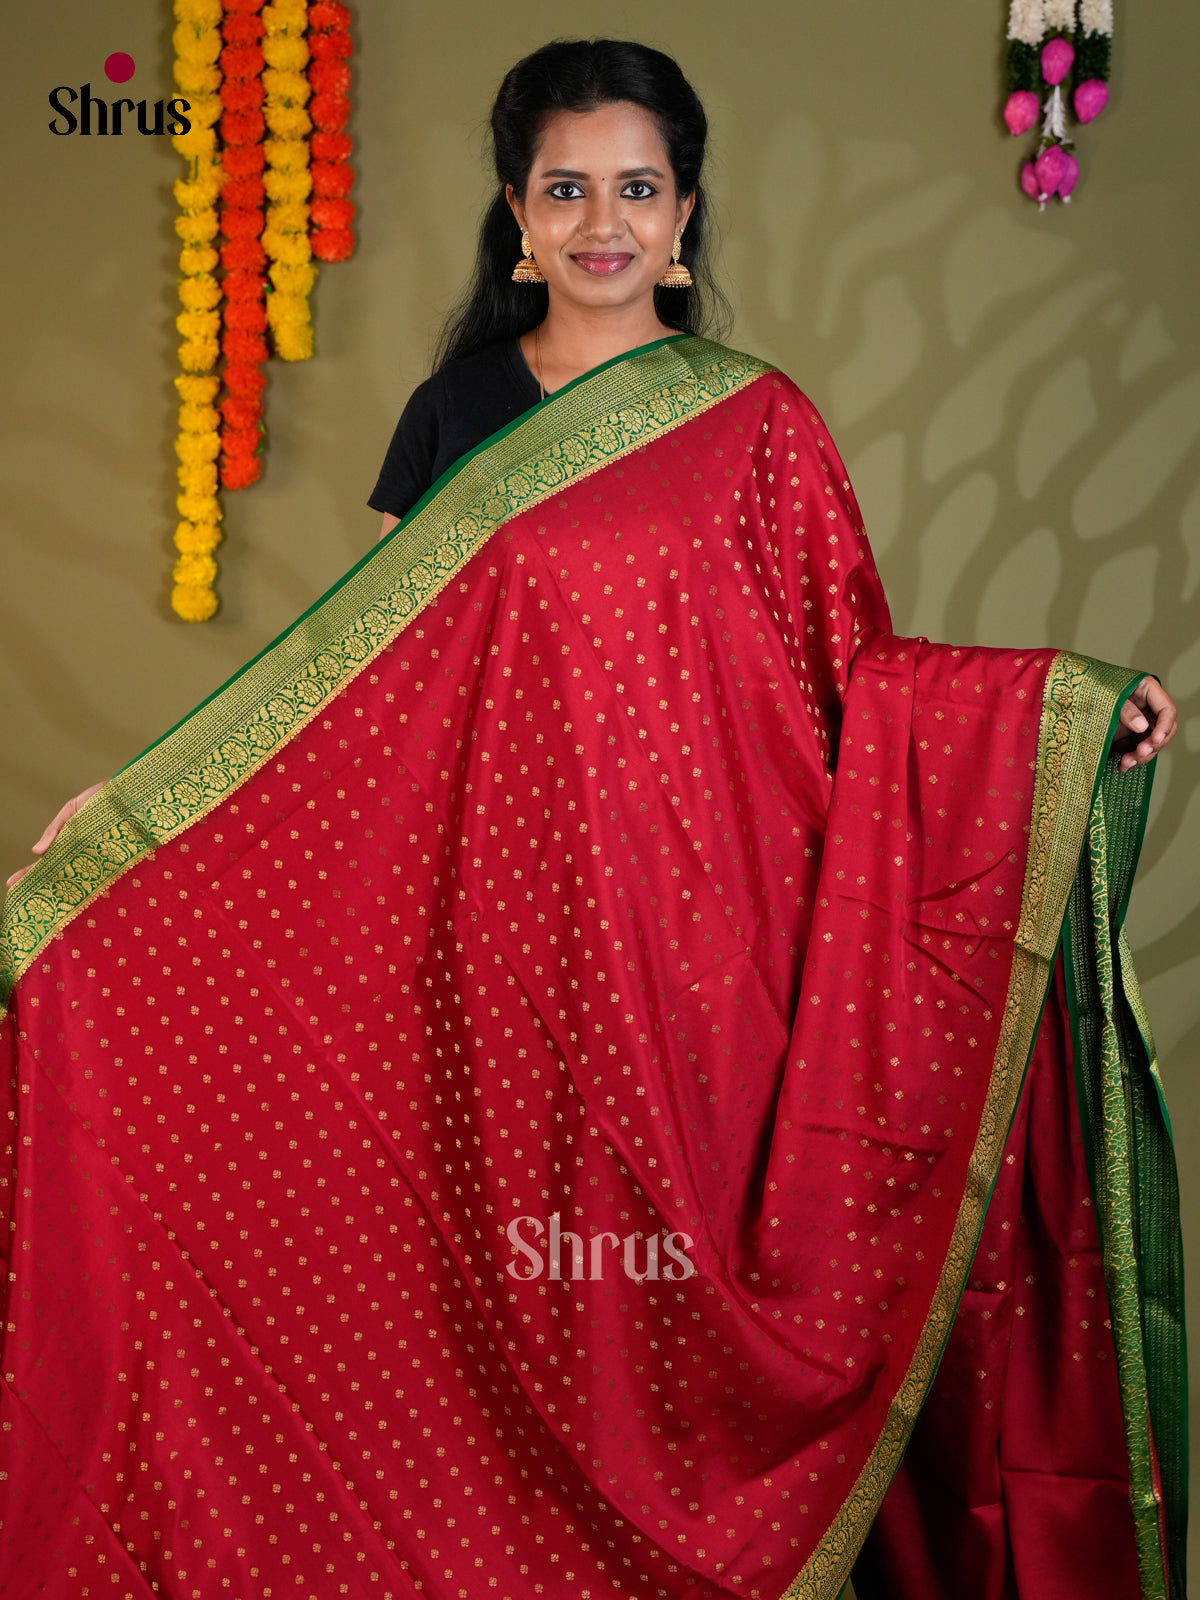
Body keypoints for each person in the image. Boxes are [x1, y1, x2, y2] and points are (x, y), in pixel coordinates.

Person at [0, 38, 1184, 1600]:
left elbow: (857, 679)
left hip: (703, 954)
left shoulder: (758, 426)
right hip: (486, 932)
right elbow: (354, 689)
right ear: (517, 214)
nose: (603, 222)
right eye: (569, 189)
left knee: (670, 1312)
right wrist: (141, 804)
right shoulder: (459, 413)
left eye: (637, 189)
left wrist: (1059, 707)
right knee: (471, 1304)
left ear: (686, 215)